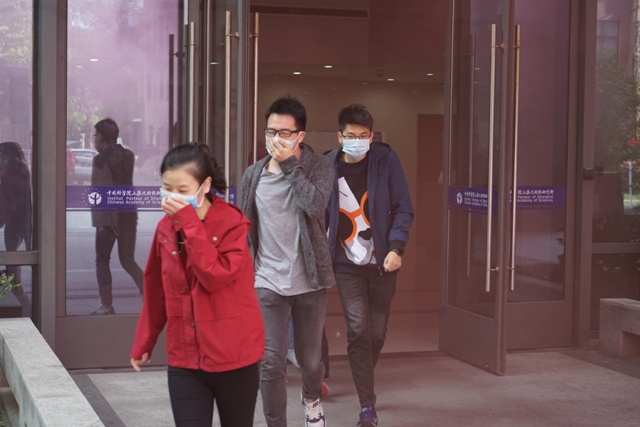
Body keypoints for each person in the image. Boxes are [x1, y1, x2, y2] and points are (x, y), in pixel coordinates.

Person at [130, 143, 264, 427]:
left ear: (205, 185)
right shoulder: (166, 228)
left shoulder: (232, 224)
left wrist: (189, 223)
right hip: (185, 359)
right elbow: (156, 291)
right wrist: (145, 341)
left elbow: (214, 276)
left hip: (234, 358)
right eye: (167, 188)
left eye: (182, 189)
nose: (172, 197)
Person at [239, 95, 335, 427]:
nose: (276, 139)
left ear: (300, 136)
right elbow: (245, 226)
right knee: (270, 362)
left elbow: (315, 206)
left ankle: (311, 400)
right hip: (267, 279)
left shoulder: (319, 166)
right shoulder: (252, 174)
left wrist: (291, 166)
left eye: (284, 133)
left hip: (309, 280)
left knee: (311, 362)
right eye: (271, 132)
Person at [325, 104, 414, 427]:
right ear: (340, 136)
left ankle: (364, 376)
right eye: (351, 136)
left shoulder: (385, 161)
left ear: (372, 135)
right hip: (345, 264)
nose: (357, 141)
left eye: (363, 136)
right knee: (358, 330)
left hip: (384, 263)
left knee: (376, 333)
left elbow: (403, 207)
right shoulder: (327, 165)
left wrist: (396, 247)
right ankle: (367, 405)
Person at [90, 118, 143, 315]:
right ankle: (152, 296)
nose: (94, 139)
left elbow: (101, 193)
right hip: (128, 215)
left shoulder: (100, 161)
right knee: (128, 260)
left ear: (103, 138)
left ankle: (106, 305)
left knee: (102, 260)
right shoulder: (128, 156)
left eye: (96, 135)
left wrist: (102, 223)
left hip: (109, 219)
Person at [0, 141, 33, 315]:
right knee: (13, 257)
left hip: (13, 221)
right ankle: (16, 290)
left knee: (11, 256)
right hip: (21, 219)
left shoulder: (7, 173)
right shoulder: (22, 170)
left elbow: (6, 201)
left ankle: (14, 291)